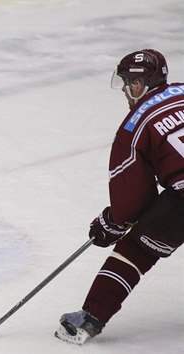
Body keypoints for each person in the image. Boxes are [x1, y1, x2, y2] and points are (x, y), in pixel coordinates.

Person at [55, 49, 184, 344]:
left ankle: (89, 319)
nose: (126, 91)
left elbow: (133, 200)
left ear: (139, 85)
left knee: (136, 250)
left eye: (129, 83)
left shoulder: (135, 124)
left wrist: (112, 221)